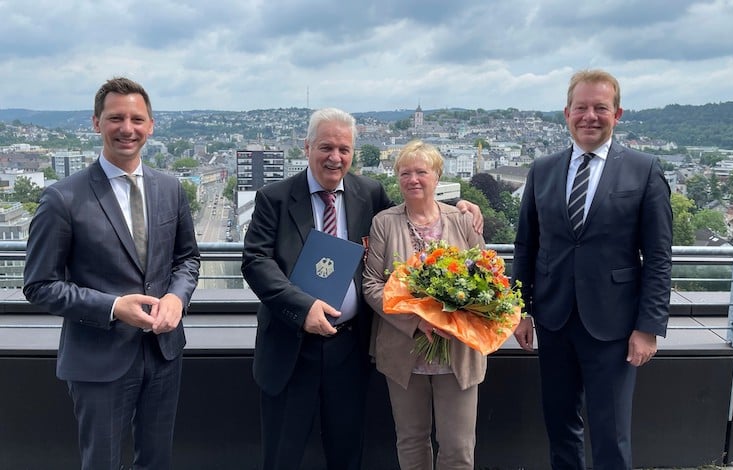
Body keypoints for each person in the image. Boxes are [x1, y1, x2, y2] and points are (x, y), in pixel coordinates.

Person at [241, 108, 482, 470]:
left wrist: (460, 207)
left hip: (348, 349)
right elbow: (256, 262)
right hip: (292, 347)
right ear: (306, 147)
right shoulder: (274, 197)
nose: (335, 157)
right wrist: (302, 308)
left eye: (344, 149)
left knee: (348, 453)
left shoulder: (367, 193)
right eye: (325, 147)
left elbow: (412, 214)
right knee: (282, 455)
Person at [23, 77, 201, 470]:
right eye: (116, 118)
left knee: (156, 461)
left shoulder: (171, 188)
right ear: (96, 123)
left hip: (163, 353)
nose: (127, 128)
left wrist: (176, 298)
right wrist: (114, 306)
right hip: (98, 359)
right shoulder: (62, 198)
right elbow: (38, 285)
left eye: (137, 119)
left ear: (151, 125)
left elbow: (187, 259)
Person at [512, 69, 673, 469]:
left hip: (615, 326)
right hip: (553, 319)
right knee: (560, 428)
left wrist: (648, 327)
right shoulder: (543, 169)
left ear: (617, 114)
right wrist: (519, 309)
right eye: (581, 107)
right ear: (566, 112)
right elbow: (526, 245)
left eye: (600, 108)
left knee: (610, 434)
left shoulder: (644, 170)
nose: (590, 116)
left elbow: (658, 256)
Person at [363, 140, 485, 469]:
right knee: (412, 441)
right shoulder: (383, 223)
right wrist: (417, 321)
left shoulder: (462, 219)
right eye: (405, 173)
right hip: (404, 352)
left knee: (458, 447)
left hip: (457, 350)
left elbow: (486, 277)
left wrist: (451, 313)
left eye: (421, 172)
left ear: (437, 176)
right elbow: (371, 283)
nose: (413, 179)